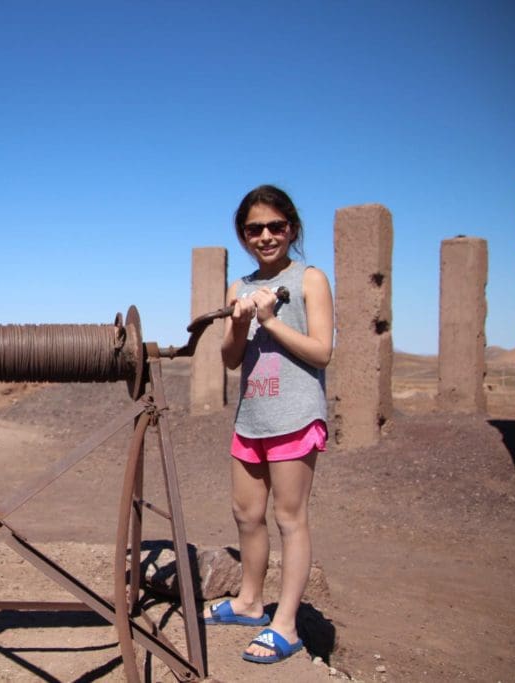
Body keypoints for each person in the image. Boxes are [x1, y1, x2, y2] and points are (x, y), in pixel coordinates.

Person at [202, 185, 334, 665]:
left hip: (296, 416)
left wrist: (271, 321)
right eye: (254, 228)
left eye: (275, 227)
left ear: (291, 229)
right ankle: (250, 602)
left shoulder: (310, 279)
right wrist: (239, 322)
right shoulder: (238, 286)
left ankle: (287, 625)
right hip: (251, 418)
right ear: (243, 234)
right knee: (246, 514)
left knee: (289, 518)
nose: (265, 236)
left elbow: (323, 351)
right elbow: (231, 359)